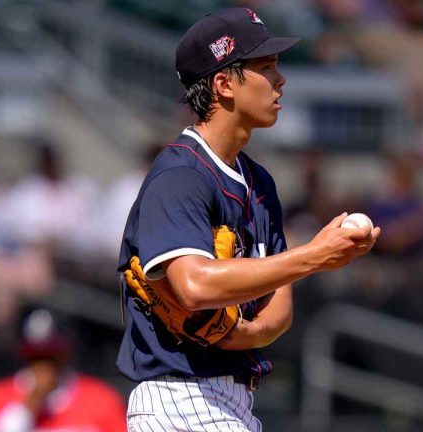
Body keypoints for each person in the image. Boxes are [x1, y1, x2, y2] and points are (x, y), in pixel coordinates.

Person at [117, 7, 381, 432]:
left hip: (233, 403)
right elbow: (194, 285)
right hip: (180, 397)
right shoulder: (180, 175)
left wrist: (238, 334)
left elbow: (279, 312)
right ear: (224, 83)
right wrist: (313, 255)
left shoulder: (259, 182)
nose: (281, 80)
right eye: (265, 67)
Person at [0, 308, 127, 432]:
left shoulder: (101, 399)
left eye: (51, 356)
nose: (44, 366)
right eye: (35, 356)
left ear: (66, 353)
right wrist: (30, 405)